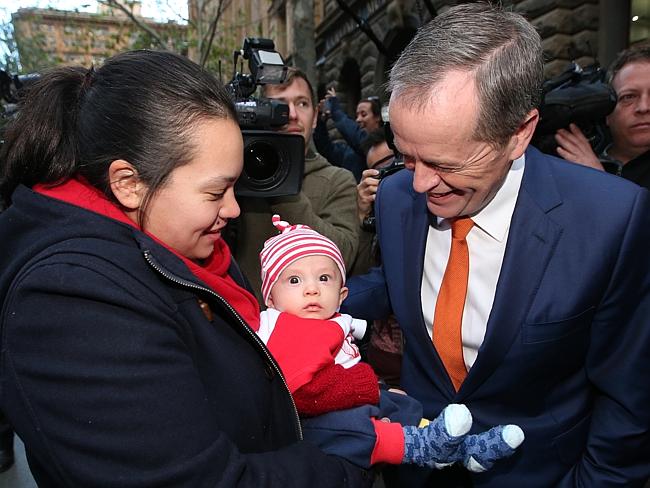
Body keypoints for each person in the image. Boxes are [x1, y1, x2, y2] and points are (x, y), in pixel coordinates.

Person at [0, 50, 373, 487]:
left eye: (235, 187)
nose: (233, 210)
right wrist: (349, 466)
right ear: (128, 184)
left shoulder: (183, 246)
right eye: (216, 193)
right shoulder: (70, 299)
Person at [342, 3, 650, 487]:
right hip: (415, 469)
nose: (419, 184)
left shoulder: (611, 221)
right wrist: (313, 300)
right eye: (407, 155)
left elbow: (629, 403)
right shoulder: (396, 196)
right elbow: (404, 279)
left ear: (519, 134)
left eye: (446, 163)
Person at [254, 214, 524, 472]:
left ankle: (463, 448)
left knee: (402, 404)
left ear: (341, 295)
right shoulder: (293, 328)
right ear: (270, 298)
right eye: (294, 280)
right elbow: (300, 392)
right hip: (312, 421)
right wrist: (368, 386)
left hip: (343, 398)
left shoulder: (324, 322)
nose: (311, 288)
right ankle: (422, 446)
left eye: (324, 278)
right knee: (353, 427)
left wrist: (380, 392)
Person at [228, 67, 359, 306]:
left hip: (306, 333)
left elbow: (344, 256)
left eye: (302, 104)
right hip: (238, 322)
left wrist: (282, 183)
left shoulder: (338, 180)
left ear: (316, 115)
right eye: (278, 104)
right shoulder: (235, 170)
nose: (291, 115)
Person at [554, 45, 650, 188]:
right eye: (628, 97)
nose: (644, 107)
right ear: (607, 112)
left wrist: (599, 180)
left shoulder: (590, 167)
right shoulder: (571, 158)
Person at [314, 89, 383, 181]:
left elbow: (361, 140)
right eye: (357, 115)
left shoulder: (384, 143)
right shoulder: (348, 150)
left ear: (377, 117)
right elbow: (325, 147)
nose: (358, 119)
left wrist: (335, 110)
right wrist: (321, 121)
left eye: (363, 114)